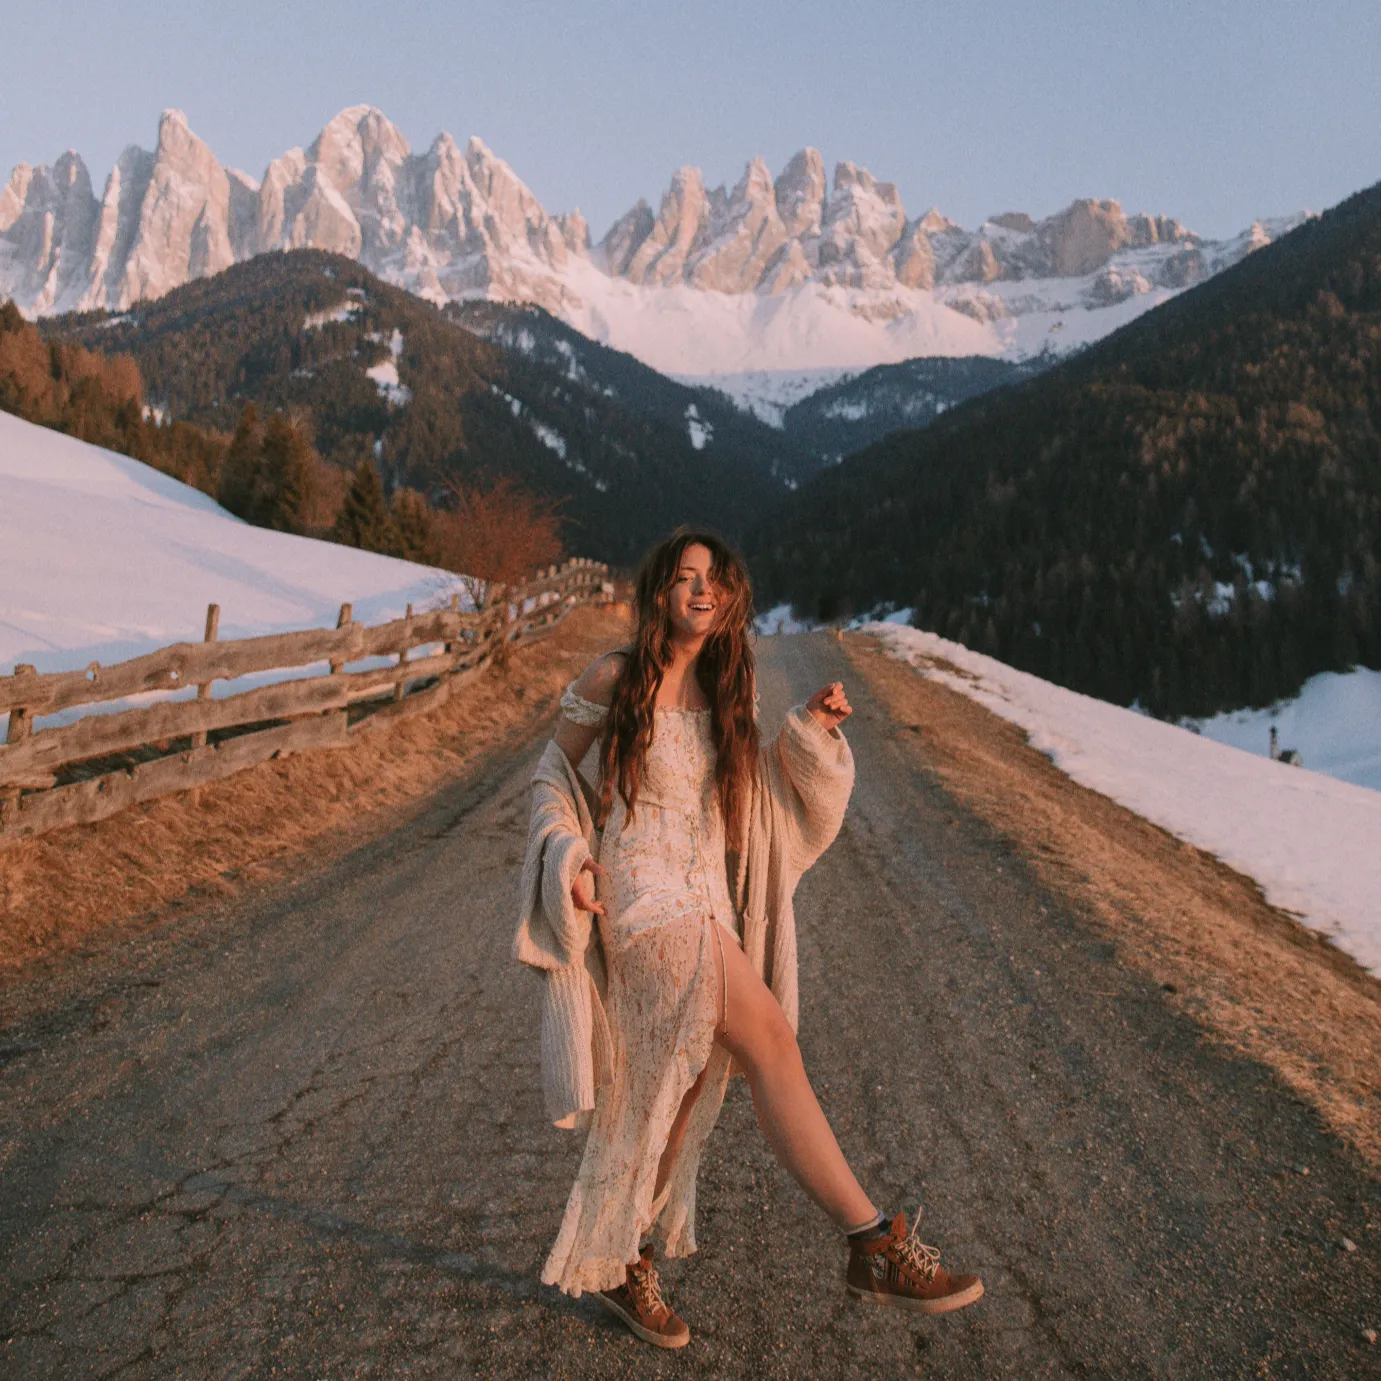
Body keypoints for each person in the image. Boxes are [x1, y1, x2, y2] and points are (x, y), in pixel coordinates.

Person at [514, 528, 982, 1349]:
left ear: (730, 598)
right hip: (643, 903)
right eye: (685, 578)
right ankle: (872, 1241)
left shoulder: (733, 685)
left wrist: (806, 733)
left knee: (678, 1093)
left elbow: (752, 797)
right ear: (659, 591)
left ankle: (626, 1259)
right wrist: (569, 854)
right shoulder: (615, 677)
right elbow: (553, 771)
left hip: (707, 905)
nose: (700, 590)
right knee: (770, 1040)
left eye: (714, 580)